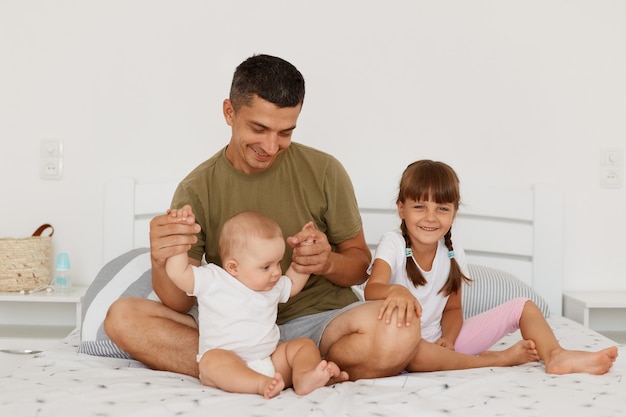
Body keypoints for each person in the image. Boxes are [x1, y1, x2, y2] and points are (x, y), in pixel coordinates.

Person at [104, 54, 553, 382]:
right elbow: (179, 301)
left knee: (400, 333)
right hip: (232, 330)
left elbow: (359, 265)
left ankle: (288, 365)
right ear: (229, 112)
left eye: (286, 132)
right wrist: (163, 258)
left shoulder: (323, 170)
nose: (271, 145)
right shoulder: (197, 187)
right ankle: (271, 371)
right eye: (257, 129)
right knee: (122, 317)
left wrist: (324, 262)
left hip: (319, 324)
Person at [364, 159, 619, 375]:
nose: (430, 217)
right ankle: (495, 359)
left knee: (524, 306)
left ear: (453, 214)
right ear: (401, 209)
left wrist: (449, 341)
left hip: (440, 341)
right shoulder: (393, 244)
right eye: (419, 206)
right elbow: (372, 289)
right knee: (415, 352)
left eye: (442, 208)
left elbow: (453, 308)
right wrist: (395, 291)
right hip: (402, 345)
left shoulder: (452, 252)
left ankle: (555, 355)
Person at [165, 209, 348, 398]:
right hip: (227, 367)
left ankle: (304, 377)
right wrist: (180, 241)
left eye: (278, 263)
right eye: (266, 266)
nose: (277, 272)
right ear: (233, 267)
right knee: (210, 360)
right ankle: (260, 384)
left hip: (269, 361)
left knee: (304, 345)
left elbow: (292, 283)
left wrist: (306, 251)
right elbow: (178, 273)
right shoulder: (213, 280)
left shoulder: (271, 284)